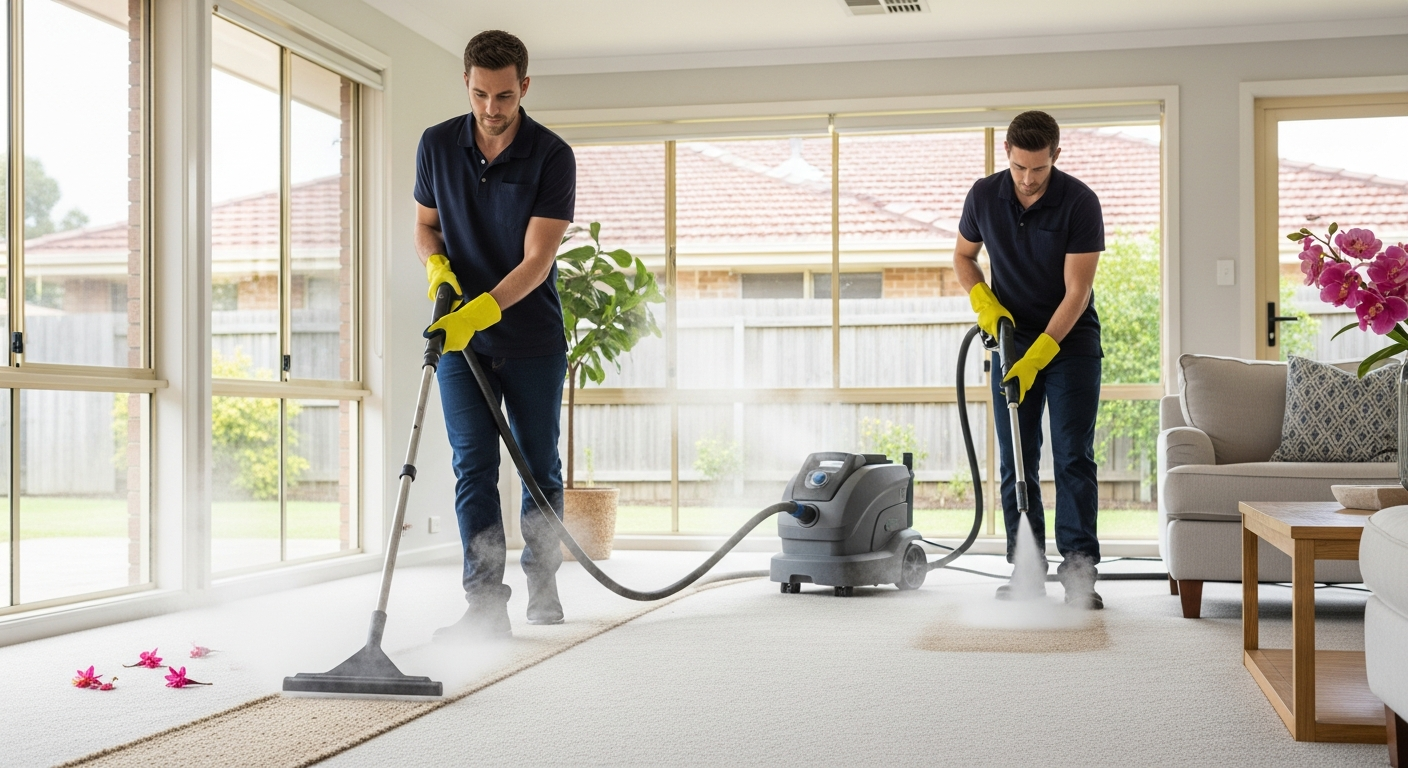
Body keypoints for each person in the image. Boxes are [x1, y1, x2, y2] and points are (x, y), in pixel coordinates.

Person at [413, 30, 576, 639]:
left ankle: (543, 584)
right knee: (472, 468)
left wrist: (481, 310)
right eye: (481, 94)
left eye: (504, 95)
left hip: (531, 338)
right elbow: (426, 226)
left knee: (538, 467)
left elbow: (537, 260)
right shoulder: (436, 145)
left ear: (524, 87)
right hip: (459, 341)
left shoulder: (551, 154)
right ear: (466, 84)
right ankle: (484, 602)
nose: (491, 108)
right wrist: (436, 265)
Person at [952, 110, 1106, 609]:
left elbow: (1077, 292)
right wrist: (984, 301)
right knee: (1016, 456)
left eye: (1038, 168)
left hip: (1070, 344)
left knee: (1072, 457)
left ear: (1055, 156)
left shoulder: (1079, 202)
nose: (1027, 179)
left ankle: (1079, 575)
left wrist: (1042, 352)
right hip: (1010, 341)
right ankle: (1027, 571)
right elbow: (963, 256)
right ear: (1008, 155)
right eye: (1019, 167)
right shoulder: (983, 196)